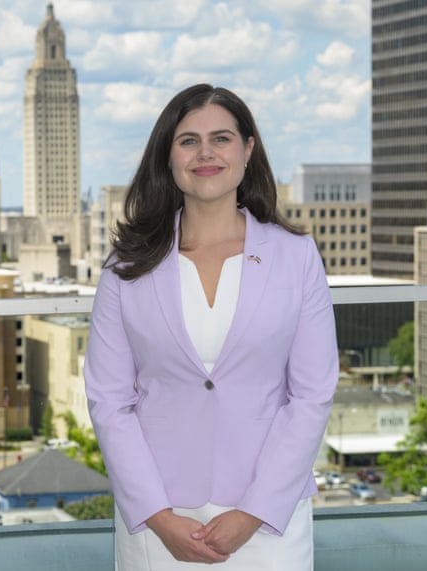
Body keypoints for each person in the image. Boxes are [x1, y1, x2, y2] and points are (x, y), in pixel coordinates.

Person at [83, 83, 339, 570]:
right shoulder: (127, 265)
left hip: (267, 515)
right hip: (158, 518)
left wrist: (253, 512)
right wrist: (157, 515)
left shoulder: (295, 256)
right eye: (188, 141)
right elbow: (108, 398)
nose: (205, 153)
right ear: (168, 157)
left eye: (221, 138)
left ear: (248, 149)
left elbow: (313, 394)